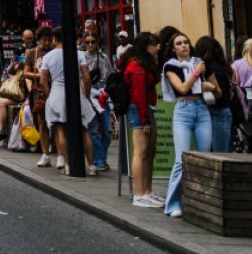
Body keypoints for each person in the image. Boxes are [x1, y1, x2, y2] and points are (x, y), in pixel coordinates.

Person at [161, 30, 213, 219]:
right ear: (173, 49)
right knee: (181, 158)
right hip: (183, 111)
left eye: (186, 42)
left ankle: (201, 201)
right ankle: (173, 203)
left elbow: (218, 92)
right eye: (179, 43)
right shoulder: (171, 66)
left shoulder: (200, 63)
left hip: (202, 109)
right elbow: (182, 88)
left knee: (204, 157)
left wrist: (213, 88)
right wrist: (196, 72)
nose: (184, 46)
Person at [40, 28, 97, 176]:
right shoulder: (78, 54)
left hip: (57, 94)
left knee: (60, 130)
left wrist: (49, 95)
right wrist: (86, 96)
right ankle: (92, 165)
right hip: (75, 93)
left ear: (54, 38)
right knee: (83, 130)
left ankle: (68, 165)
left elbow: (43, 80)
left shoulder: (48, 56)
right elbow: (87, 78)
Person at [122, 32, 163, 208]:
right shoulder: (137, 66)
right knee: (141, 152)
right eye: (154, 44)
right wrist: (144, 119)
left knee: (149, 152)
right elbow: (138, 94)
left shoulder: (142, 63)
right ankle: (139, 194)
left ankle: (147, 191)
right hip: (140, 109)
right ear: (146, 46)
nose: (157, 47)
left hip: (145, 108)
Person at [193, 36, 232, 153]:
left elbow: (220, 95)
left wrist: (210, 89)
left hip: (217, 112)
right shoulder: (224, 67)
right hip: (222, 111)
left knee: (219, 154)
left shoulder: (212, 69)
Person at [24, 26, 55, 166]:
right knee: (42, 122)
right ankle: (45, 153)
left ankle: (58, 150)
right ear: (39, 40)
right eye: (44, 40)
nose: (47, 43)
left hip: (55, 90)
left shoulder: (55, 51)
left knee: (57, 123)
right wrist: (41, 75)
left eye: (49, 40)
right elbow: (26, 73)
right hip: (40, 92)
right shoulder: (33, 53)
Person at [83, 32, 114, 171]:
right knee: (93, 130)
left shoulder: (103, 58)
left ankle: (101, 158)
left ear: (97, 43)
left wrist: (108, 92)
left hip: (103, 96)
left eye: (93, 41)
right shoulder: (82, 58)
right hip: (88, 97)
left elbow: (111, 77)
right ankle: (99, 161)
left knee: (108, 131)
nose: (90, 45)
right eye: (87, 42)